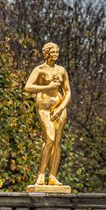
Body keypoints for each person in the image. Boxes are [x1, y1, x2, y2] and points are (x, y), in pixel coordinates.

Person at [24, 42, 71, 187]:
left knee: (57, 142)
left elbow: (67, 91)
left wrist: (61, 107)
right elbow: (28, 87)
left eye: (57, 52)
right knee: (49, 138)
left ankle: (52, 176)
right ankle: (41, 174)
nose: (55, 55)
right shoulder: (39, 70)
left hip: (59, 107)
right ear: (46, 53)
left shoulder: (62, 70)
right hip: (44, 106)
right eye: (53, 52)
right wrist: (48, 87)